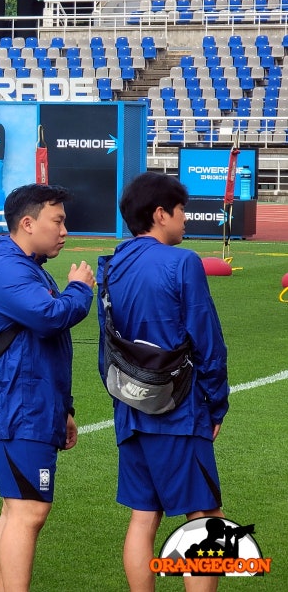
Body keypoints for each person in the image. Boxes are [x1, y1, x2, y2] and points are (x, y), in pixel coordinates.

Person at [97, 172, 228, 592]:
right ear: (160, 214)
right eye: (181, 211)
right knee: (205, 518)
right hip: (179, 408)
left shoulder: (111, 264)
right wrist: (216, 402)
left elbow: (107, 348)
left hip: (130, 406)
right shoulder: (183, 261)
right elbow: (207, 340)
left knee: (143, 514)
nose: (185, 220)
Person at [0, 184, 94, 585]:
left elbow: (46, 348)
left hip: (31, 405)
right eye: (57, 221)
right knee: (28, 511)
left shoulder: (25, 265)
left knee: (17, 511)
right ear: (28, 223)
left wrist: (66, 409)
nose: (64, 231)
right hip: (18, 409)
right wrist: (80, 288)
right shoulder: (9, 269)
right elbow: (49, 318)